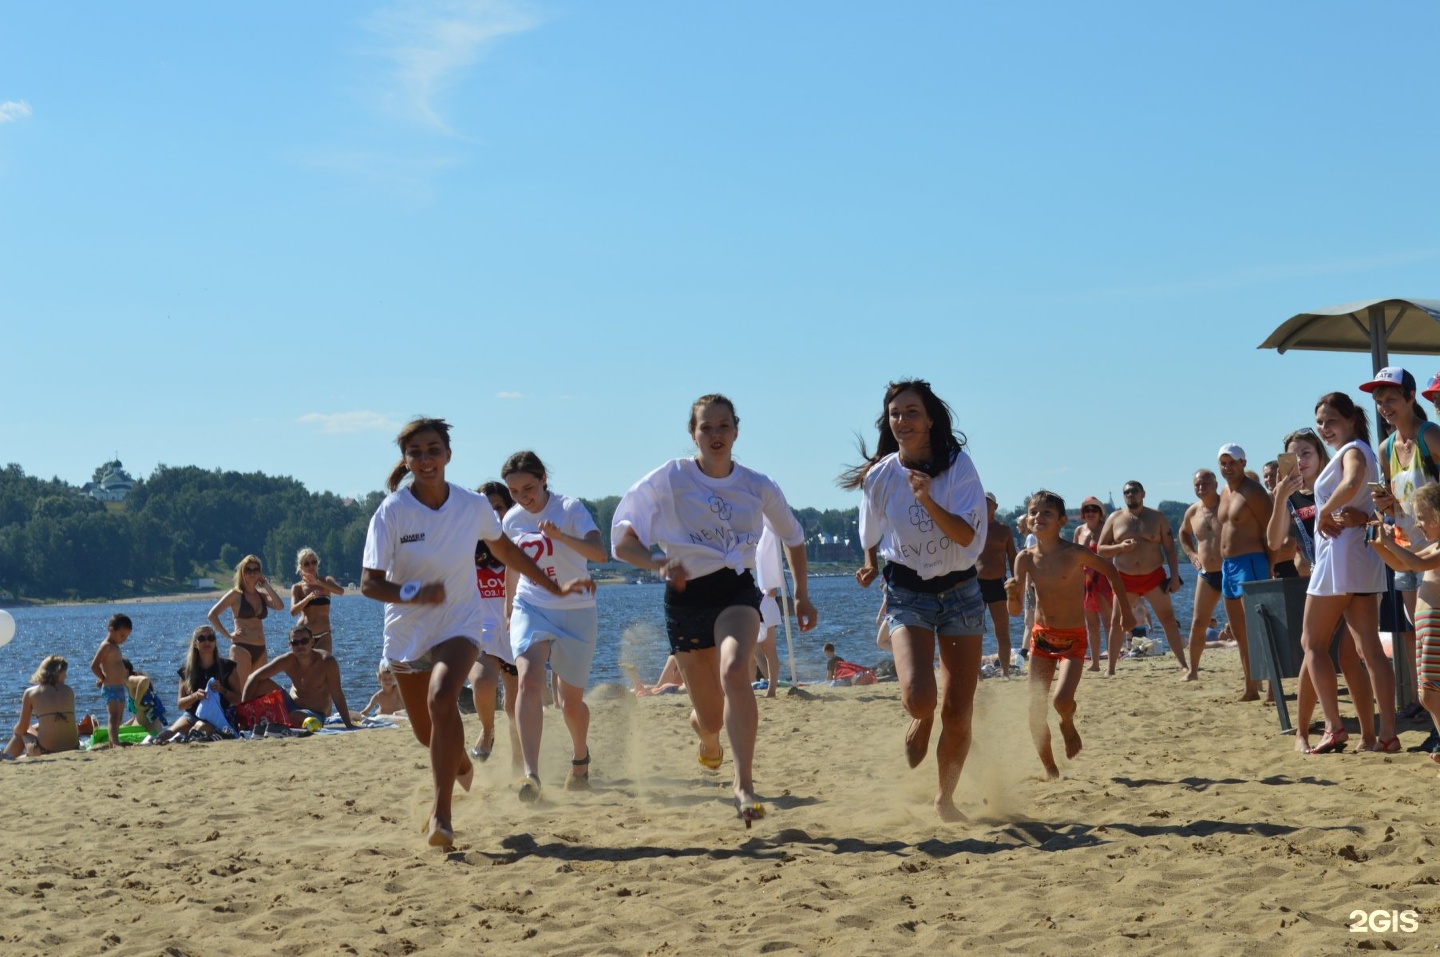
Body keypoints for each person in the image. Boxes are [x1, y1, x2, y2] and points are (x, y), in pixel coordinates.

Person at [360, 417, 592, 848]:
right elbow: (369, 583)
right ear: (406, 460)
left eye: (434, 450)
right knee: (426, 732)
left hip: (460, 625)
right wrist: (413, 592)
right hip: (407, 631)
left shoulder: (471, 506)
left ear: (448, 455)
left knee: (442, 698)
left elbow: (506, 552)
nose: (426, 459)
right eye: (416, 453)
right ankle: (461, 760)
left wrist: (553, 585)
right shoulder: (392, 511)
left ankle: (441, 817)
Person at [614, 393, 816, 826]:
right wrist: (656, 561)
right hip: (685, 598)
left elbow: (793, 537)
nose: (716, 435)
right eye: (707, 427)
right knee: (708, 718)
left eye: (724, 426)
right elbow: (623, 539)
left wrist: (801, 593)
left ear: (736, 431)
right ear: (694, 434)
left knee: (735, 671)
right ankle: (708, 741)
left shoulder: (756, 485)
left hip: (736, 592)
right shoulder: (671, 478)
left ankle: (744, 785)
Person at [839, 379, 985, 822]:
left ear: (931, 418)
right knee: (921, 699)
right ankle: (922, 720)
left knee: (958, 712)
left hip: (961, 591)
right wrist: (868, 564)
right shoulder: (880, 476)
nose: (902, 421)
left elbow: (967, 536)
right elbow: (871, 535)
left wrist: (927, 498)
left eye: (912, 412)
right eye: (895, 414)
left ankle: (945, 799)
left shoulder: (959, 468)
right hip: (907, 593)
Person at [501, 450, 607, 799]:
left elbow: (599, 553)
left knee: (569, 702)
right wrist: (508, 608)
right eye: (514, 492)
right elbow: (512, 565)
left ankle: (580, 757)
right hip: (532, 605)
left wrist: (561, 537)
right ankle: (532, 775)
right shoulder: (512, 521)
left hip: (576, 610)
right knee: (529, 680)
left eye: (528, 488)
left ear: (544, 478)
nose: (522, 498)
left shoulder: (570, 508)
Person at [1006, 490, 1134, 778]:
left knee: (1061, 701)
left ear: (1062, 520)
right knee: (1034, 712)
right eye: (1033, 512)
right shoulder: (1024, 559)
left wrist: (1126, 611)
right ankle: (1051, 769)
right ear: (1027, 520)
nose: (1038, 517)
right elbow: (1015, 612)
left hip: (1073, 638)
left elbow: (1112, 573)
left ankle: (1067, 721)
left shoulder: (1075, 553)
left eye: (1046, 513)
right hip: (1041, 638)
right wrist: (1012, 594)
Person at [1299, 392, 1398, 754]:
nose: (1325, 428)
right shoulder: (1363, 449)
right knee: (1363, 649)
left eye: (1331, 421)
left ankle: (1334, 726)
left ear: (1350, 419)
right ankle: (1383, 734)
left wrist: (1325, 512)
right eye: (1321, 422)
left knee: (1312, 643)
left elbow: (1354, 481)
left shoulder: (1353, 451)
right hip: (1361, 556)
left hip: (1338, 557)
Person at [1267, 427, 1375, 752]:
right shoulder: (1291, 497)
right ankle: (1304, 732)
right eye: (1293, 455)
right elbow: (1273, 542)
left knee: (1344, 653)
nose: (1300, 461)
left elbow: (1368, 511)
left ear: (1320, 456)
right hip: (1321, 576)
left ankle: (1364, 733)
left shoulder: (1334, 484)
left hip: (1349, 571)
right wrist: (1280, 498)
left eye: (1306, 453)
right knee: (1312, 653)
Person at [1364, 367, 1440, 725]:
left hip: (1434, 550)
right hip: (1405, 547)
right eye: (1379, 401)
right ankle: (1432, 716)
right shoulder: (1386, 448)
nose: (1384, 407)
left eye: (1391, 398)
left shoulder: (1432, 437)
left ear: (1411, 397)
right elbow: (1398, 502)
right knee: (1418, 635)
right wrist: (1387, 505)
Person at [1369, 482, 1440, 767]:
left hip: (1435, 620)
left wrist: (1389, 544)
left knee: (1430, 691)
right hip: (1426, 621)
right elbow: (1401, 565)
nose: (1418, 524)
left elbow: (1415, 565)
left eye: (1421, 517)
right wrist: (1378, 544)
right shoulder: (1434, 545)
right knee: (1428, 694)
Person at [1097, 481, 1188, 673]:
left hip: (1154, 576)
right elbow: (1101, 549)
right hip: (1125, 578)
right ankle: (1111, 668)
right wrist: (1120, 547)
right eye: (1127, 492)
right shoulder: (1115, 518)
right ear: (1123, 496)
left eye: (1134, 491)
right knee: (1116, 622)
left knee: (1168, 620)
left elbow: (1171, 549)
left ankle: (1182, 664)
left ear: (1143, 494)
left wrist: (1174, 577)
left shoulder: (1157, 517)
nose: (1131, 495)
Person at [467, 481, 520, 765]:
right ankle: (487, 731)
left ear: (508, 509)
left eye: (498, 507)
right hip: (481, 632)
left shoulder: (518, 542)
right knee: (483, 683)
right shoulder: (464, 546)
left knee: (514, 706)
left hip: (515, 632)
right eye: (485, 509)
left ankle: (517, 765)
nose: (492, 514)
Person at [1216, 444, 1273, 700]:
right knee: (1239, 631)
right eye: (1223, 463)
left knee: (1260, 629)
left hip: (1252, 562)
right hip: (1228, 565)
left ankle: (1273, 689)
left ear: (1242, 463)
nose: (1228, 468)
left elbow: (1270, 530)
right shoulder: (1224, 492)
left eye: (1232, 463)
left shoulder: (1253, 491)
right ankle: (1251, 686)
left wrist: (1270, 567)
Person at [242, 625, 356, 729]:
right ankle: (248, 721)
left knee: (296, 716)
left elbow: (337, 695)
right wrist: (243, 712)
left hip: (314, 713)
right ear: (290, 645)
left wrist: (349, 725)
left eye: (304, 641)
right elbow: (253, 678)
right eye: (295, 643)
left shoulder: (326, 662)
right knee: (261, 683)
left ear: (312, 642)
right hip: (290, 704)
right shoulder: (287, 661)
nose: (300, 646)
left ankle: (271, 721)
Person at [208, 555, 284, 690]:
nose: (252, 573)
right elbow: (212, 615)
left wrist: (266, 584)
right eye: (248, 570)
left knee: (259, 690)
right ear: (242, 572)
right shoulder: (236, 594)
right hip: (242, 648)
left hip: (261, 648)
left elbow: (279, 606)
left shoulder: (261, 595)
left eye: (256, 570)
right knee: (240, 691)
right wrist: (228, 635)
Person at [157, 626, 241, 743]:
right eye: (201, 638)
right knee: (168, 733)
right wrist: (195, 696)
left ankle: (184, 739)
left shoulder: (227, 667)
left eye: (211, 638)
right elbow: (180, 705)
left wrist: (223, 690)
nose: (207, 642)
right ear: (195, 644)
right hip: (192, 715)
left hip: (218, 717)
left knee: (199, 727)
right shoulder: (187, 671)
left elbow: (239, 699)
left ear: (215, 642)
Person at [1179, 470, 1224, 682]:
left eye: (1206, 482)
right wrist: (1191, 554)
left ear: (1215, 483)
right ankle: (1193, 670)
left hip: (1230, 572)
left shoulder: (1226, 503)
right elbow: (1183, 533)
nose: (1201, 487)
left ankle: (1253, 676)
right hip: (1206, 574)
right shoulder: (1192, 512)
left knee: (1242, 625)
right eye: (1197, 484)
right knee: (1198, 623)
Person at [975, 492, 1019, 677]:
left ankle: (1005, 671)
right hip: (975, 584)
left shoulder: (1003, 530)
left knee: (1002, 630)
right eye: (981, 502)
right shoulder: (972, 527)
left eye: (988, 503)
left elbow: (1012, 556)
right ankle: (976, 672)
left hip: (998, 583)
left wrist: (1016, 579)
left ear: (995, 506)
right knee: (973, 631)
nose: (985, 506)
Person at [3, 656, 79, 759]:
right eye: (64, 673)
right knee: (31, 728)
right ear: (56, 673)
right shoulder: (69, 691)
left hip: (46, 751)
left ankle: (6, 758)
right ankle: (9, 757)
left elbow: (22, 728)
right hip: (73, 748)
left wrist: (15, 729)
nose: (66, 676)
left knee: (20, 732)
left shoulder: (31, 693)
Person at [752, 522, 789, 698]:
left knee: (762, 649)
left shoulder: (759, 545)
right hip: (763, 600)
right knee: (762, 649)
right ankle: (771, 687)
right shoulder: (758, 547)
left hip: (761, 600)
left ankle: (771, 687)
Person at [89, 613, 132, 749]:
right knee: (113, 716)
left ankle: (113, 741)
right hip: (110, 688)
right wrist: (102, 678)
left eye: (126, 637)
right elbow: (94, 665)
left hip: (119, 687)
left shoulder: (115, 646)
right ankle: (115, 743)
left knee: (119, 717)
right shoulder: (106, 646)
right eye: (122, 635)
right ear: (111, 630)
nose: (123, 639)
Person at [289, 548, 345, 654]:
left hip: (324, 634)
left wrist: (318, 582)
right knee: (305, 669)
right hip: (303, 636)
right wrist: (308, 598)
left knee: (324, 664)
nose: (311, 566)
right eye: (307, 563)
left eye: (314, 562)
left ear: (317, 563)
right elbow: (293, 611)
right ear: (301, 566)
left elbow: (340, 591)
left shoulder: (326, 581)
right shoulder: (297, 587)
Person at [121, 659, 168, 736]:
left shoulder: (129, 680)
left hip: (151, 730)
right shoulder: (128, 685)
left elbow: (145, 680)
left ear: (126, 671)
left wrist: (136, 703)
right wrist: (122, 727)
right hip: (140, 728)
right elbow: (134, 718)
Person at [620, 657, 686, 697]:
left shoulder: (639, 694)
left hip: (667, 688)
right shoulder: (639, 692)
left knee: (683, 688)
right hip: (668, 688)